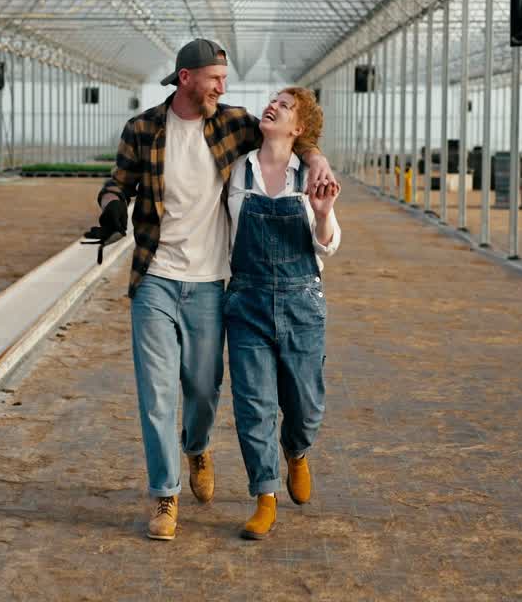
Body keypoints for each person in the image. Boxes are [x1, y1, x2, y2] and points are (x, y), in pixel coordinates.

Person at [91, 40, 337, 541]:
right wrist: (113, 205)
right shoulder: (143, 129)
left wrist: (315, 157)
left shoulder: (233, 124)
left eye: (224, 80)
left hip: (209, 285)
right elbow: (116, 183)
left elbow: (292, 137)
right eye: (215, 79)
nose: (224, 88)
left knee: (204, 391)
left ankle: (198, 446)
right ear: (186, 79)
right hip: (155, 276)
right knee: (158, 392)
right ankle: (165, 495)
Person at [223, 87, 339, 540]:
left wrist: (323, 211)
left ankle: (297, 451)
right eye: (272, 101)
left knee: (306, 404)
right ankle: (265, 496)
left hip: (301, 302)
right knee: (254, 406)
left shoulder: (309, 175)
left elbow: (326, 243)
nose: (272, 106)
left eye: (284, 105)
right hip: (246, 301)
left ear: (299, 129)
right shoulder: (236, 169)